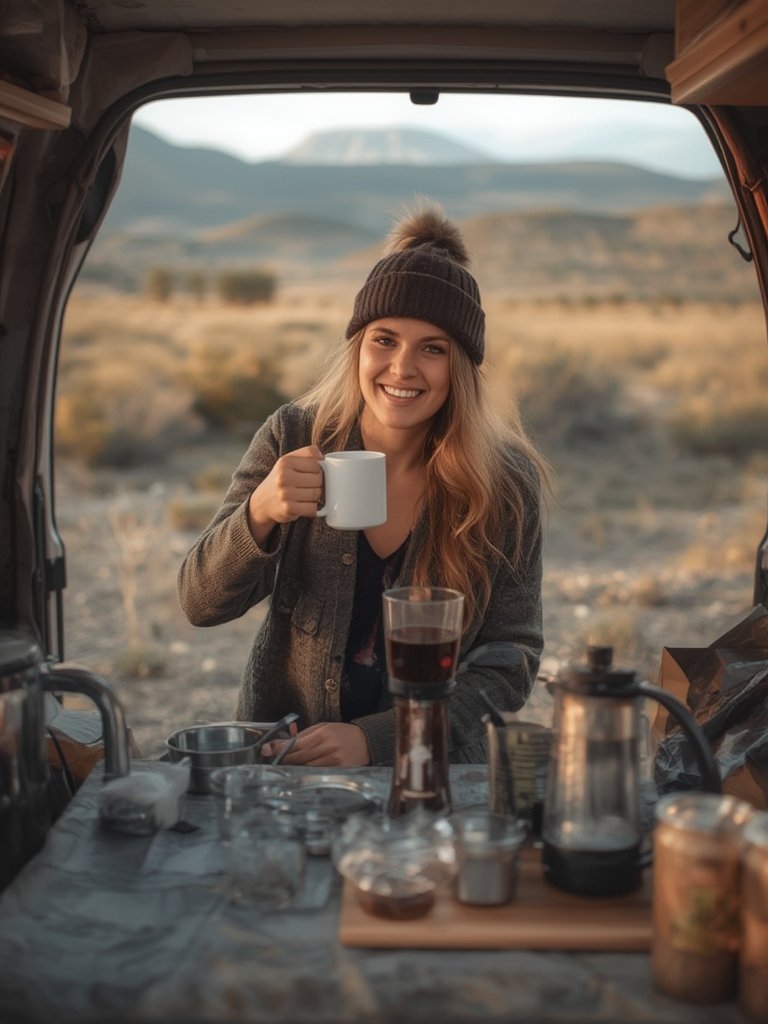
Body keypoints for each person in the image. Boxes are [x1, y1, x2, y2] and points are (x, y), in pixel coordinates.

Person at [177, 202, 548, 767]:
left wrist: (383, 738)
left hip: (430, 770)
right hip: (288, 761)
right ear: (357, 346)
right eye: (384, 339)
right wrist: (260, 513)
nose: (402, 368)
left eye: (433, 349)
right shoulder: (294, 434)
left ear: (462, 368)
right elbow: (198, 603)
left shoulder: (503, 481)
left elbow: (511, 658)